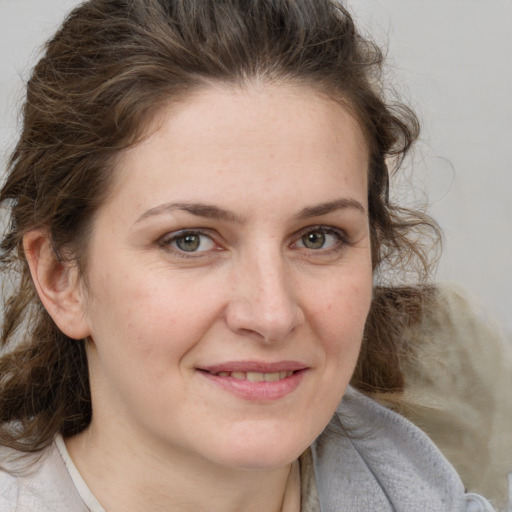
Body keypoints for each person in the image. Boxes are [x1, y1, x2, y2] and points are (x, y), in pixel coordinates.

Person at [0, 0, 497, 510]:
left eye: (317, 237)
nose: (272, 314)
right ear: (61, 277)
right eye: (189, 241)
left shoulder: (426, 489)